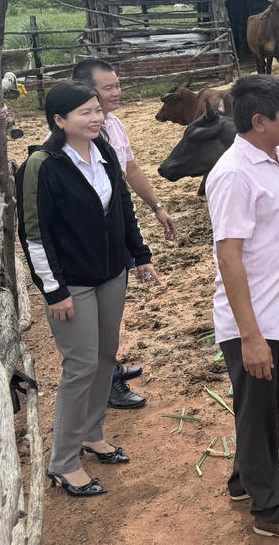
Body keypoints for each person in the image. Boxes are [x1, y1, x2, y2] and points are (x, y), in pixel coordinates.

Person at [17, 82, 159, 496]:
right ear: (59, 121)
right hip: (72, 284)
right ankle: (62, 461)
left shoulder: (105, 153)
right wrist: (53, 290)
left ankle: (92, 434)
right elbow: (34, 235)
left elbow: (123, 210)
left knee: (104, 357)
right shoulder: (42, 166)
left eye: (97, 109)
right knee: (79, 366)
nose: (97, 117)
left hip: (113, 273)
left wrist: (139, 253)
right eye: (85, 112)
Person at [207, 75, 279, 540]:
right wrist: (251, 336)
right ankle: (271, 510)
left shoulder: (278, 159)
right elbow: (229, 256)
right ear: (260, 122)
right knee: (258, 414)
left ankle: (246, 480)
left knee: (264, 409)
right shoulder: (235, 174)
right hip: (254, 322)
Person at [71, 58, 179, 410]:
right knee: (93, 324)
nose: (118, 92)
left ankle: (110, 369)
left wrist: (157, 206)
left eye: (118, 85)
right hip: (86, 246)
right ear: (86, 92)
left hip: (116, 230)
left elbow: (129, 170)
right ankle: (106, 384)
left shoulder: (114, 125)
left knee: (111, 314)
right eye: (109, 88)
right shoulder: (64, 144)